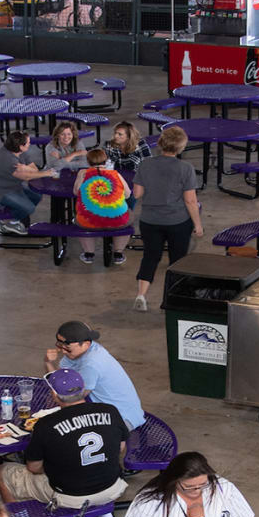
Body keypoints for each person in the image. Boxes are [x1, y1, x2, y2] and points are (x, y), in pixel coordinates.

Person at [0, 369, 129, 512]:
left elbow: (33, 468)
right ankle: (105, 516)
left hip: (70, 497)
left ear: (54, 394)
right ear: (83, 388)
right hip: (113, 488)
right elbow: (120, 448)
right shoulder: (110, 410)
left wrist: (55, 467)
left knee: (5, 472)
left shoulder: (46, 424)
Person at [123, 451, 253, 517]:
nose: (197, 491)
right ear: (173, 481)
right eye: (189, 487)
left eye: (203, 485)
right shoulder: (151, 497)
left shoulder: (224, 488)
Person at [129, 126, 203, 312]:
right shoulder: (185, 168)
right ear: (181, 147)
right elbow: (190, 200)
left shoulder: (145, 164)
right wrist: (197, 224)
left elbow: (137, 193)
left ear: (161, 143)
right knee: (177, 260)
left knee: (150, 257)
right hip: (177, 221)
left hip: (149, 220)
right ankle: (172, 298)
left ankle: (141, 295)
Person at [45, 321, 145, 431]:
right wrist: (48, 362)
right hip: (105, 410)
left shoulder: (92, 364)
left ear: (86, 344)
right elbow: (60, 382)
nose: (62, 351)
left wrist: (55, 397)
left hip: (123, 417)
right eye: (60, 345)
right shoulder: (77, 352)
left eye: (67, 347)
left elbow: (70, 399)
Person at [0, 132, 51, 236]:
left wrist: (25, 168)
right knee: (29, 207)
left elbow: (34, 169)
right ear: (20, 146)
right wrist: (46, 173)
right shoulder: (4, 158)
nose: (29, 144)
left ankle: (16, 221)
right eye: (28, 143)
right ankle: (7, 223)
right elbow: (26, 176)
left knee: (35, 195)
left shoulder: (22, 153)